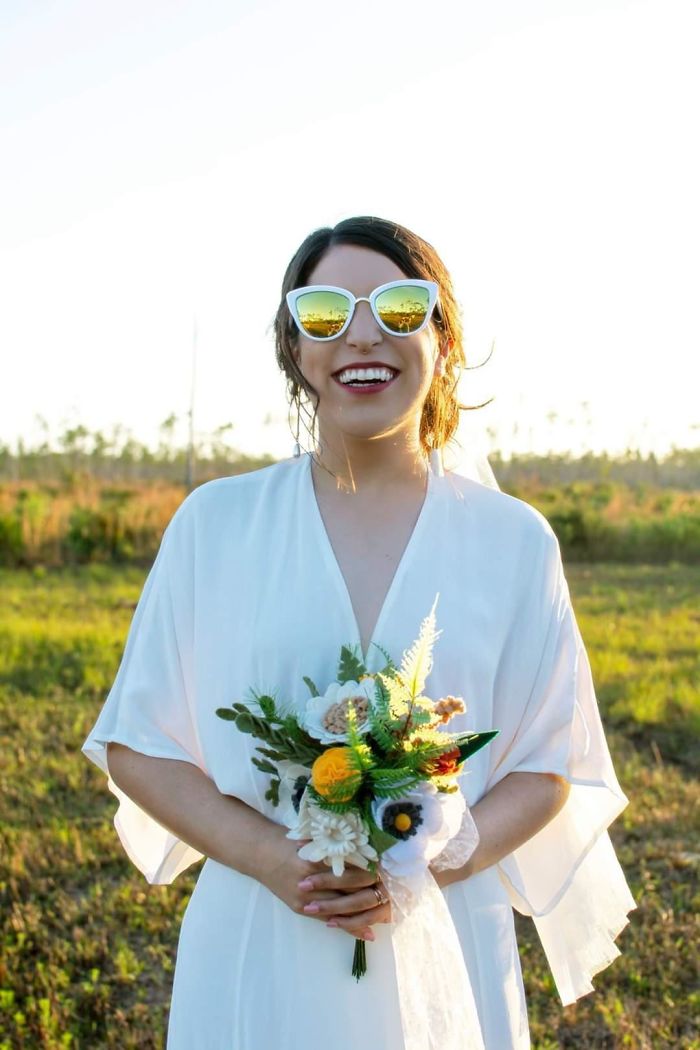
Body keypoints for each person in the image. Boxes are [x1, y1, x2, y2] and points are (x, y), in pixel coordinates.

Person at [82, 215, 635, 1049]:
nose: (363, 334)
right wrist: (274, 857)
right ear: (295, 349)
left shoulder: (514, 540)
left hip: (444, 939)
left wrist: (429, 861)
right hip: (259, 941)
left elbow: (548, 762)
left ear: (444, 340)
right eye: (325, 313)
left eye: (402, 308)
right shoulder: (216, 524)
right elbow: (137, 744)